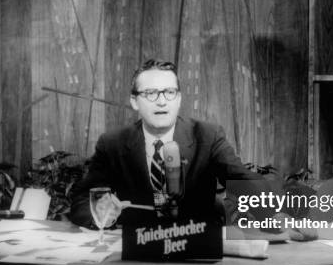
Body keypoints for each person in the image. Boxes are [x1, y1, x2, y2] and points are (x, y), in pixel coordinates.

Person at [70, 59, 315, 241]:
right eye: (150, 93)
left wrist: (277, 212)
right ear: (135, 101)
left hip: (197, 244)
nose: (161, 101)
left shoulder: (207, 135)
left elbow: (241, 180)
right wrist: (102, 213)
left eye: (169, 92)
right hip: (137, 248)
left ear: (179, 99)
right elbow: (81, 201)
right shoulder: (112, 143)